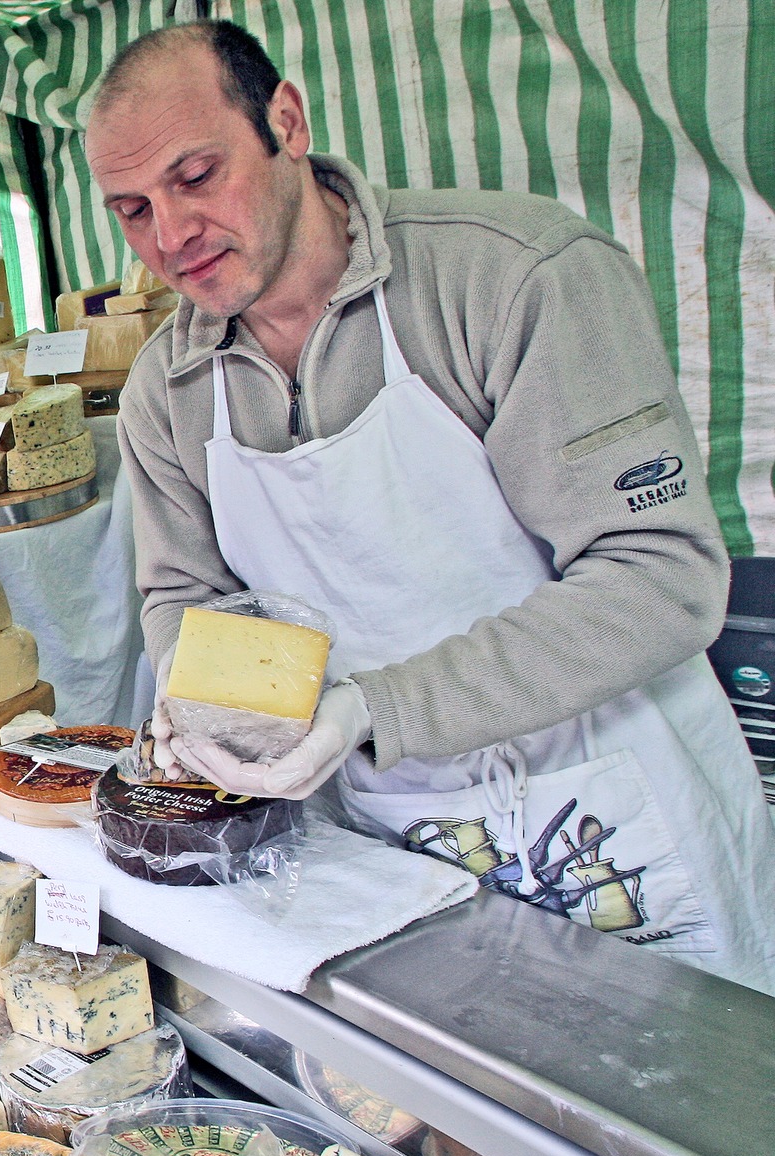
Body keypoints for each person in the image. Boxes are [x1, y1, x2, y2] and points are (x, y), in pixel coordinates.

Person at [92, 21, 775, 991]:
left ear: (285, 122)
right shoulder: (165, 391)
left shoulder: (512, 277)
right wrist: (204, 710)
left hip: (615, 821)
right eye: (131, 210)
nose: (169, 236)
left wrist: (374, 707)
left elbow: (659, 578)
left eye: (196, 176)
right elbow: (184, 596)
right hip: (390, 842)